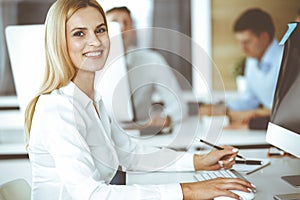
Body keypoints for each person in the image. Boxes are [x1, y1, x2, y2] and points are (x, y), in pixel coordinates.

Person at [25, 0, 254, 199]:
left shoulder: (93, 102)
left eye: (100, 30)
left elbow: (130, 154)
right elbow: (92, 195)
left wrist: (197, 162)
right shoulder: (57, 109)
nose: (95, 41)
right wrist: (189, 191)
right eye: (79, 34)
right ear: (59, 42)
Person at [106, 6, 188, 128]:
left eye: (126, 23)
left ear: (133, 31)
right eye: (115, 23)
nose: (121, 27)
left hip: (143, 134)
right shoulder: (90, 65)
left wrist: (167, 119)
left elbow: (179, 106)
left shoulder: (152, 60)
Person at [227, 8, 283, 112]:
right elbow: (250, 101)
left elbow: (285, 108)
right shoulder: (252, 62)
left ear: (264, 38)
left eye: (247, 42)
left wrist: (255, 115)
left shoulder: (287, 60)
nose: (242, 48)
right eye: (240, 42)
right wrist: (223, 109)